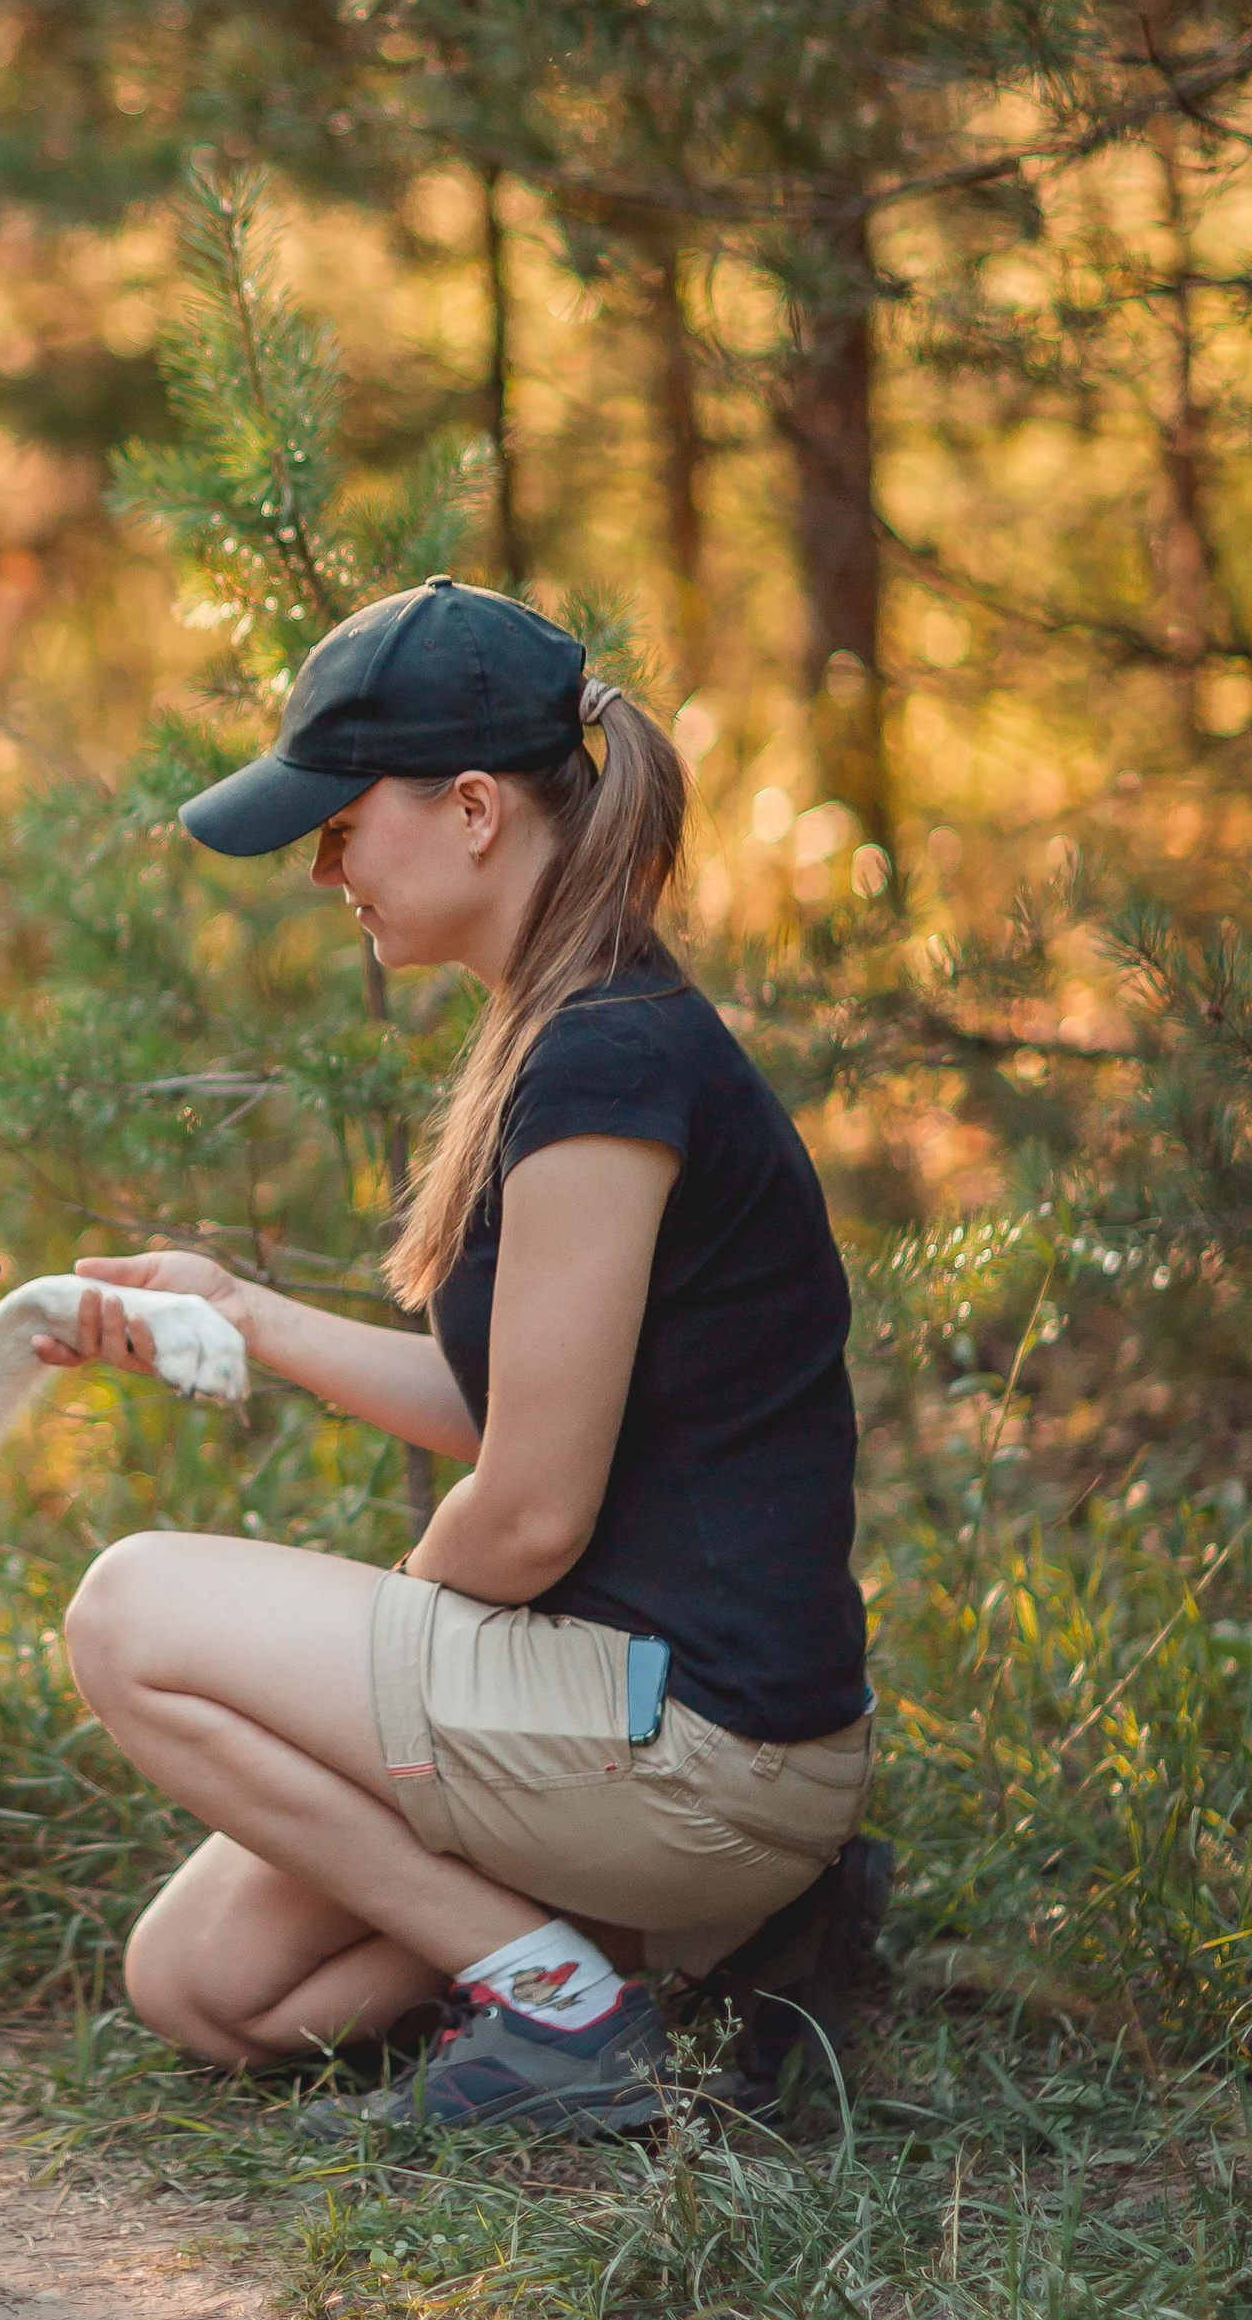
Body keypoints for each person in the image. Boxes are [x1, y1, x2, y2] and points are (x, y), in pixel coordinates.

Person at [43, 577, 877, 2138]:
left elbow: (534, 1509)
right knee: (210, 1985)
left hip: (706, 1742)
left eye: (342, 825)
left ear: (476, 809)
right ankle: (694, 1941)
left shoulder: (609, 1062)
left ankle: (567, 2008)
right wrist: (248, 1316)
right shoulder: (570, 1033)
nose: (324, 871)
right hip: (629, 1727)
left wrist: (409, 1630)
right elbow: (508, 1407)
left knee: (126, 1610)